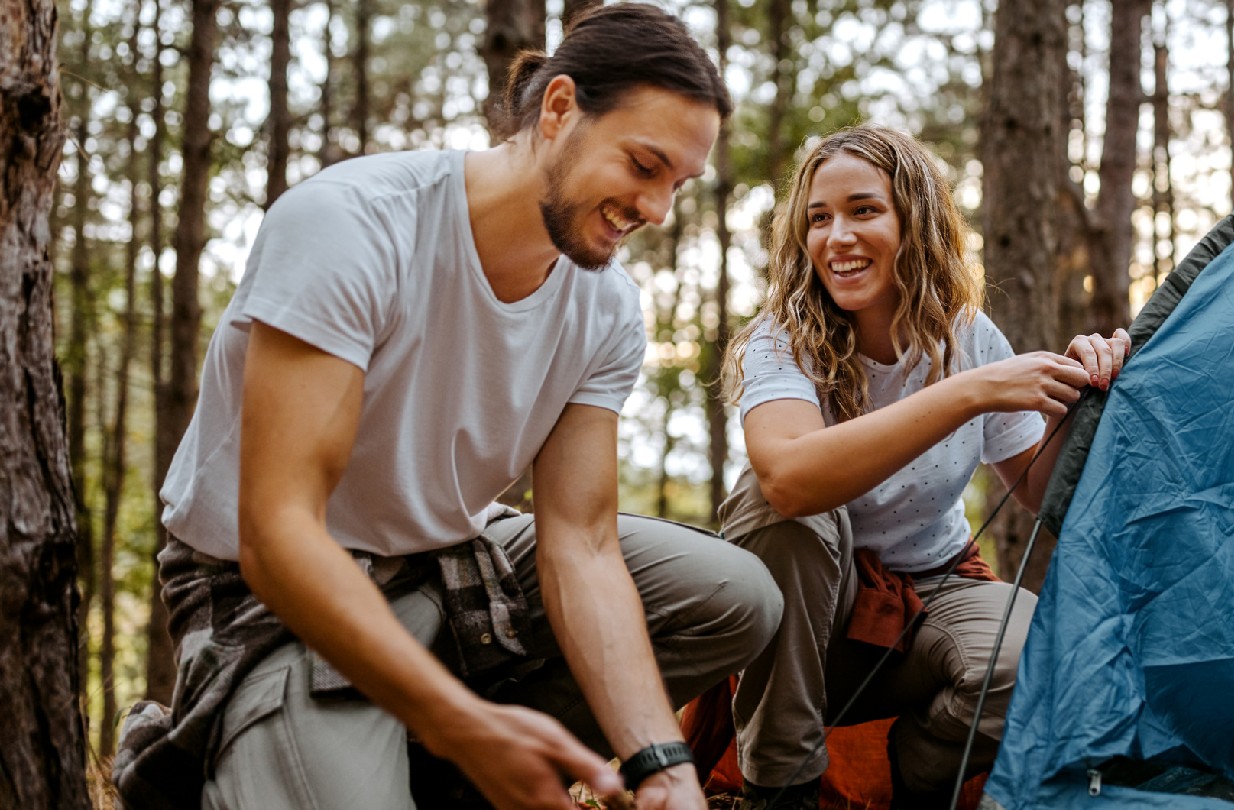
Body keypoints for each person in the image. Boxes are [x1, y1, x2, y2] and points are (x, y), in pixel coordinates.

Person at [111, 6, 782, 810]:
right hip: (272, 593)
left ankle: (435, 768)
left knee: (735, 596)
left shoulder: (607, 309)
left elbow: (583, 544)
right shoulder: (352, 225)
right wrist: (464, 721)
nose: (659, 209)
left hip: (450, 558)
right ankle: (254, 746)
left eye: (678, 183)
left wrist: (663, 764)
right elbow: (278, 533)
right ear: (559, 108)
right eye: (644, 165)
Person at [718, 124, 1131, 808]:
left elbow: (1037, 490)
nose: (836, 237)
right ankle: (780, 789)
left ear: (916, 221)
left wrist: (1077, 400)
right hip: (809, 622)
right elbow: (789, 479)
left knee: (1043, 659)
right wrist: (970, 391)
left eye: (863, 210)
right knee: (780, 509)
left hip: (931, 597)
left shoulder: (968, 337)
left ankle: (911, 778)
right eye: (818, 219)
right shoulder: (780, 341)